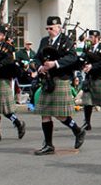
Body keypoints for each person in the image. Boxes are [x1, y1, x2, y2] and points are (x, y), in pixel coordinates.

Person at [33, 16, 86, 155]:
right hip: (47, 80)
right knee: (45, 113)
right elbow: (37, 57)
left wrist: (55, 63)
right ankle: (49, 145)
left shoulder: (66, 41)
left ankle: (77, 130)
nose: (49, 31)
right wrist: (40, 68)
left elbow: (72, 57)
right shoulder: (44, 41)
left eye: (52, 28)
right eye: (47, 28)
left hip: (60, 79)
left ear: (59, 28)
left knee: (60, 115)